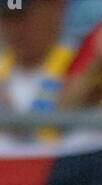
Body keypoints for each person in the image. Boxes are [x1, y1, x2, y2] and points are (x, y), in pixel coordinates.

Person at [0, 0, 72, 141]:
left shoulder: (82, 65)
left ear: (56, 8)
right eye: (5, 18)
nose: (13, 29)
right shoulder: (2, 70)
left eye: (21, 16)